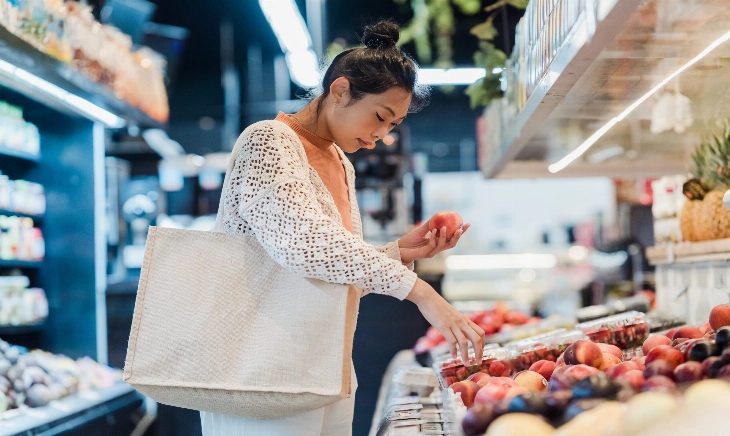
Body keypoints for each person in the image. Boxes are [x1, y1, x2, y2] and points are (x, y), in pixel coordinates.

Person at [200, 20, 485, 436]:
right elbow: (302, 244)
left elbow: (328, 274)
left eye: (393, 126)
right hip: (261, 375)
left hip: (327, 369)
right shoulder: (268, 141)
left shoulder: (341, 163)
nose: (381, 135)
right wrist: (420, 291)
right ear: (340, 90)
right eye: (381, 117)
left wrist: (400, 252)